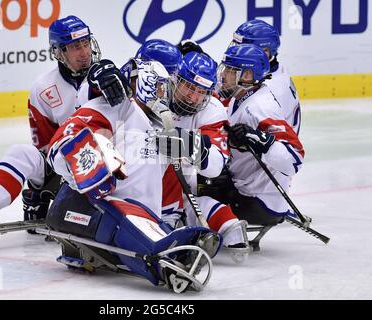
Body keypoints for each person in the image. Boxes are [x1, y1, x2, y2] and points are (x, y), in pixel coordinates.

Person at [0, 15, 129, 245]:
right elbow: (46, 149)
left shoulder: (108, 78)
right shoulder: (43, 89)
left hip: (113, 169)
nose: (84, 52)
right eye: (75, 47)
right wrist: (44, 192)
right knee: (21, 153)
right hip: (69, 171)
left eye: (86, 44)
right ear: (58, 52)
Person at [45, 60, 221, 293]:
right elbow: (59, 146)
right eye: (160, 87)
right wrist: (89, 158)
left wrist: (193, 147)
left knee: (139, 220)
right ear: (145, 84)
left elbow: (215, 167)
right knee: (131, 219)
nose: (164, 93)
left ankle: (166, 247)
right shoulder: (117, 107)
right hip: (85, 207)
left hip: (132, 218)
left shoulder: (164, 127)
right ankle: (165, 257)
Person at [126, 42, 249, 254]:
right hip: (136, 179)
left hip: (183, 186)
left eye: (201, 91)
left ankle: (173, 219)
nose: (193, 97)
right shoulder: (153, 92)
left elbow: (215, 164)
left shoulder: (212, 110)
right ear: (175, 79)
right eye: (189, 87)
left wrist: (186, 145)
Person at [199, 44, 305, 229]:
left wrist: (259, 140)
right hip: (246, 188)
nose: (223, 75)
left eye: (230, 70)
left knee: (192, 194)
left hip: (257, 202)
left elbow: (294, 159)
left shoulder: (260, 107)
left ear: (247, 75)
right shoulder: (243, 96)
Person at [225, 19, 302, 134]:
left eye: (243, 48)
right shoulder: (272, 72)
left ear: (265, 52)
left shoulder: (264, 97)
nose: (236, 51)